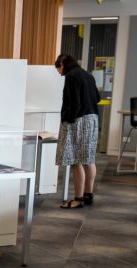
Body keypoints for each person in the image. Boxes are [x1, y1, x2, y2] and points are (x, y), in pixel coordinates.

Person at [55, 53, 101, 209]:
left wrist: (68, 119)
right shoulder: (88, 75)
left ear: (63, 64)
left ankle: (77, 199)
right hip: (93, 118)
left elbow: (75, 102)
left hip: (79, 120)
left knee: (76, 160)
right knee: (89, 158)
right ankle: (88, 195)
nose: (58, 71)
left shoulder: (71, 76)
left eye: (58, 67)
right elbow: (98, 98)